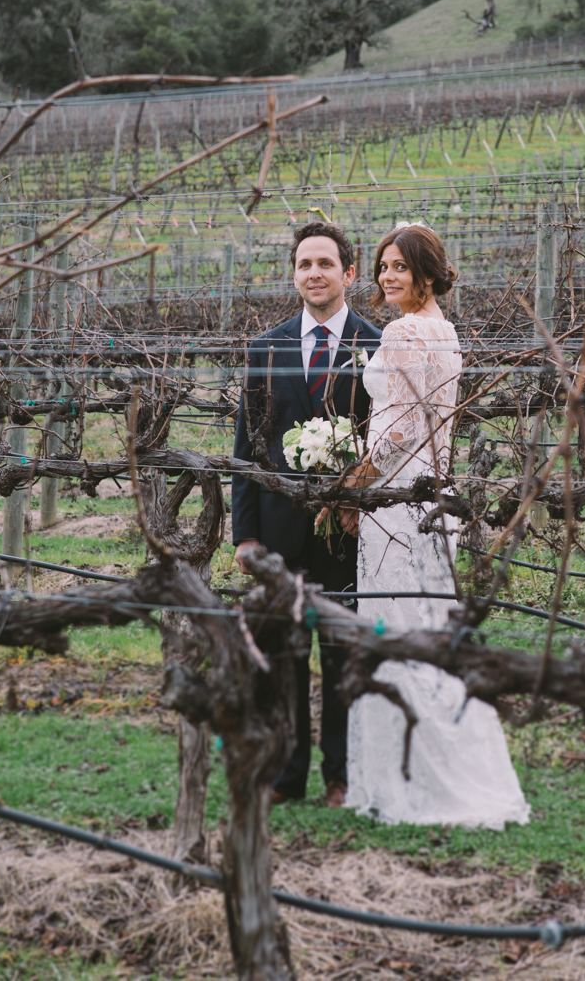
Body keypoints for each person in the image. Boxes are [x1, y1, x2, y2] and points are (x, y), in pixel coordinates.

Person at [340, 222, 530, 829]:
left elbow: (395, 433)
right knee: (429, 627)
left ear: (426, 272)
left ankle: (410, 783)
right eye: (383, 266)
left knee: (395, 630)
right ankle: (437, 768)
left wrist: (353, 481)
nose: (387, 276)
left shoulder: (401, 332)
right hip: (434, 495)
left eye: (399, 266)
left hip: (396, 500)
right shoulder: (445, 332)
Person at [231, 221, 382, 808]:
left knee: (342, 655)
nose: (313, 273)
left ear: (348, 274)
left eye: (325, 263)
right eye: (303, 264)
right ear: (294, 274)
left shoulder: (376, 344)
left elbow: (385, 439)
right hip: (279, 531)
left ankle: (341, 776)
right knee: (283, 660)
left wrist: (360, 505)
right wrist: (245, 534)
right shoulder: (264, 348)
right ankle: (287, 777)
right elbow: (247, 449)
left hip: (348, 533)